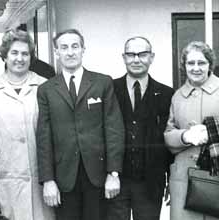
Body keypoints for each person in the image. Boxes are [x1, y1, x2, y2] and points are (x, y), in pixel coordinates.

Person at [36, 28, 125, 220]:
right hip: (64, 177)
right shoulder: (46, 90)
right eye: (64, 47)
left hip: (98, 176)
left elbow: (114, 130)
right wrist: (48, 180)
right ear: (57, 52)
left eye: (75, 46)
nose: (70, 52)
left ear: (83, 49)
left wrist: (114, 173)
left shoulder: (102, 83)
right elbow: (44, 138)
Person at [0, 29, 55, 220]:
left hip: (40, 176)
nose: (20, 58)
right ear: (5, 56)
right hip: (4, 176)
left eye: (25, 53)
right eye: (14, 53)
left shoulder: (45, 86)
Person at [107, 37, 174, 220]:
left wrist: (170, 179)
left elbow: (168, 140)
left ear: (151, 57)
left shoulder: (167, 94)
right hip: (115, 181)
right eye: (131, 54)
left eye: (142, 54)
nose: (136, 59)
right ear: (124, 57)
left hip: (151, 182)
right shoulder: (109, 89)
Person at [164, 41, 219, 220]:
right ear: (184, 66)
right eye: (191, 63)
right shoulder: (178, 96)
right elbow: (168, 136)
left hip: (215, 177)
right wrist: (186, 136)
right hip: (184, 180)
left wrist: (212, 132)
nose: (196, 68)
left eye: (201, 63)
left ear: (210, 65)